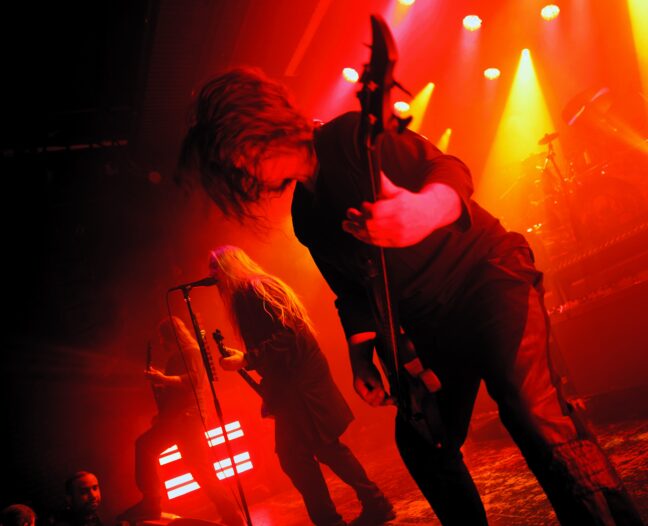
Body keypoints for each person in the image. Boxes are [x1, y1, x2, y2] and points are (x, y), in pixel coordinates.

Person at [177, 67, 643, 525]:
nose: (244, 171)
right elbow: (352, 290)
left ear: (262, 129)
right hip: (431, 319)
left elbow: (447, 167)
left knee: (530, 410)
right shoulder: (305, 215)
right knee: (422, 444)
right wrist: (361, 357)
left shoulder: (352, 136)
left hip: (487, 275)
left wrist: (425, 209)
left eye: (241, 155)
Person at [208, 245, 394, 526]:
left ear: (228, 267)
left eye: (215, 269)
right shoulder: (248, 295)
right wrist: (253, 364)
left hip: (302, 380)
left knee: (322, 447)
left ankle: (369, 505)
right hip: (291, 382)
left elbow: (290, 334)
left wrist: (248, 359)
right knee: (300, 455)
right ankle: (352, 511)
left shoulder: (258, 288)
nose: (213, 277)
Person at [117, 317, 244, 526]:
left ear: (171, 335)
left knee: (146, 446)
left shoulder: (191, 351)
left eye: (162, 337)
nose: (161, 343)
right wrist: (162, 396)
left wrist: (163, 379)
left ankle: (151, 501)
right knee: (200, 469)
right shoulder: (181, 355)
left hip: (186, 418)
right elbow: (178, 390)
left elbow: (193, 380)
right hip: (182, 418)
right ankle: (231, 515)